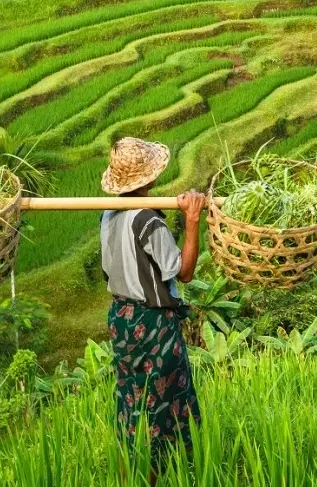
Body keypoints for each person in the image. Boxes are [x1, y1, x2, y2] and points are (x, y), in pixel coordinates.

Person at [99, 137, 208, 471]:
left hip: (121, 317)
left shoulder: (107, 213)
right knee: (166, 399)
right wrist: (192, 221)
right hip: (152, 323)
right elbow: (184, 272)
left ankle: (130, 466)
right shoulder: (147, 221)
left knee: (131, 395)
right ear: (149, 179)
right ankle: (166, 471)